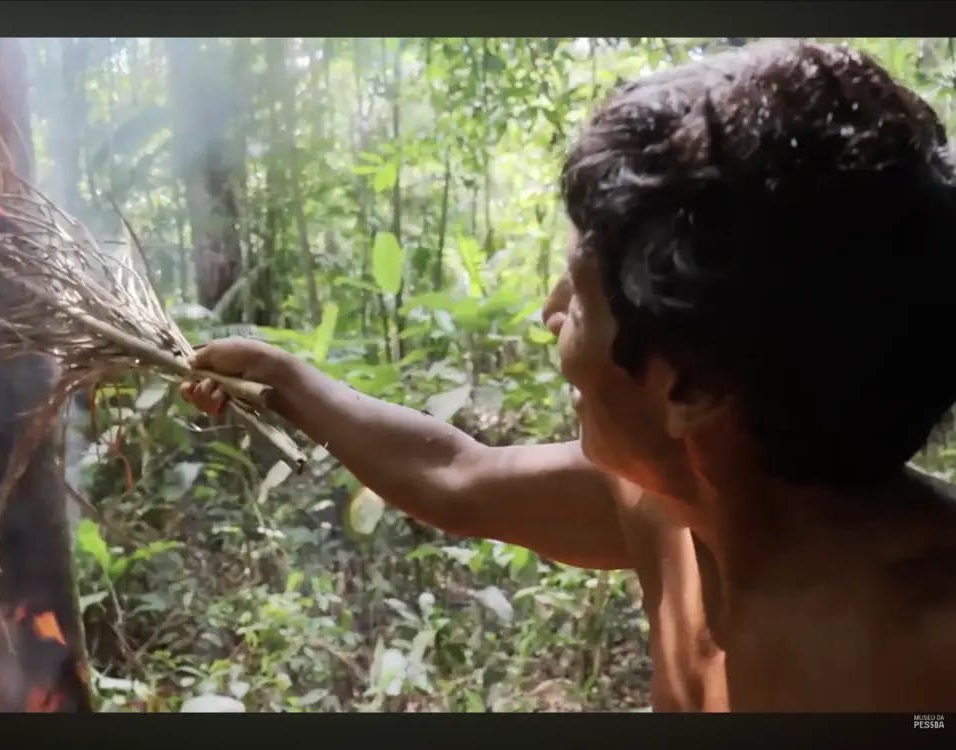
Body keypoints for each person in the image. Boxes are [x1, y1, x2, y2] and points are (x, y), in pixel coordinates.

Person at [180, 40, 956, 712]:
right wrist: (285, 381)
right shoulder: (677, 507)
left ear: (691, 385)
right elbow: (457, 476)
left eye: (579, 297)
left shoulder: (930, 648)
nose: (548, 313)